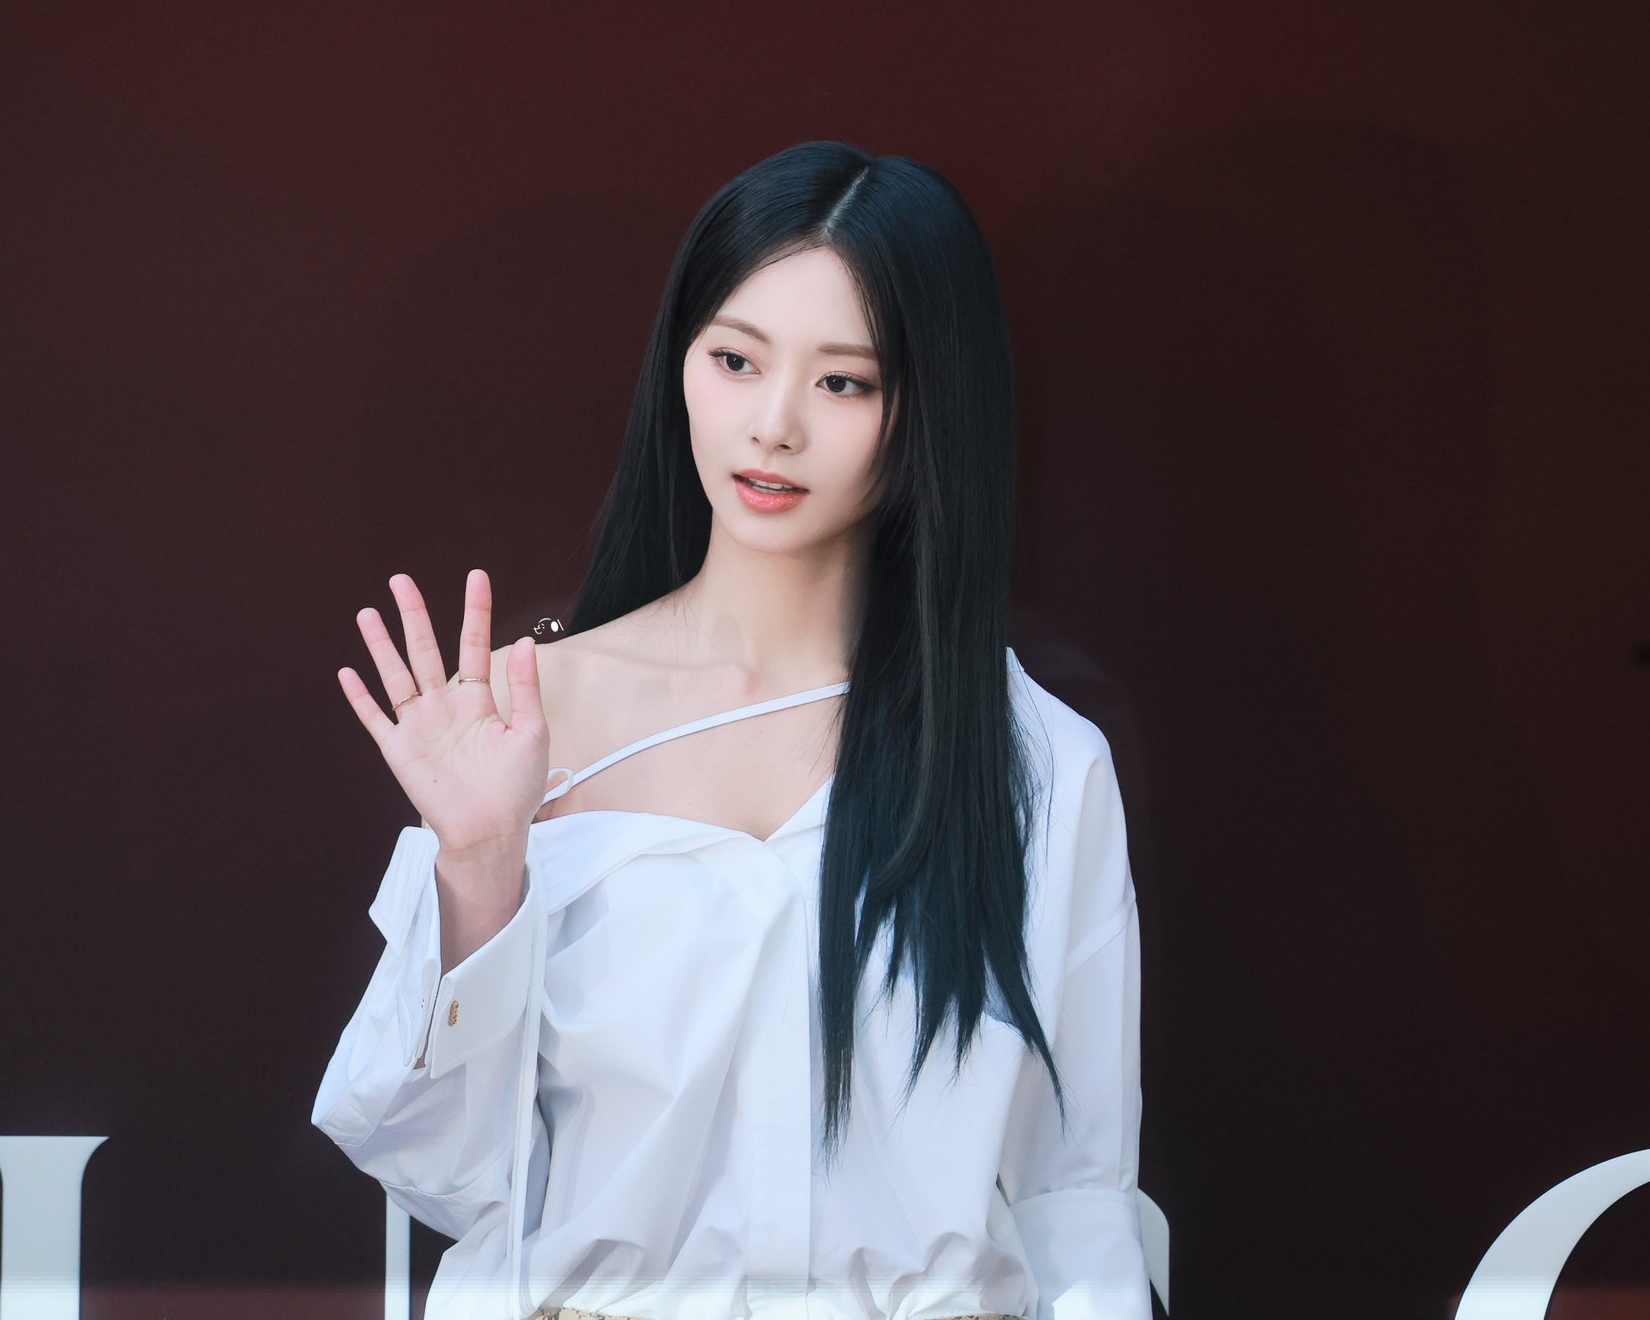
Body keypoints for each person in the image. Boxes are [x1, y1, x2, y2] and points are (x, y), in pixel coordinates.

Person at [314, 140, 1150, 1320]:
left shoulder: (1035, 764)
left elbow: (1077, 1197)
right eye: (734, 359)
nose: (771, 425)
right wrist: (479, 867)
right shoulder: (526, 717)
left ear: (928, 407)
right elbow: (442, 1172)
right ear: (680, 364)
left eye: (842, 383)